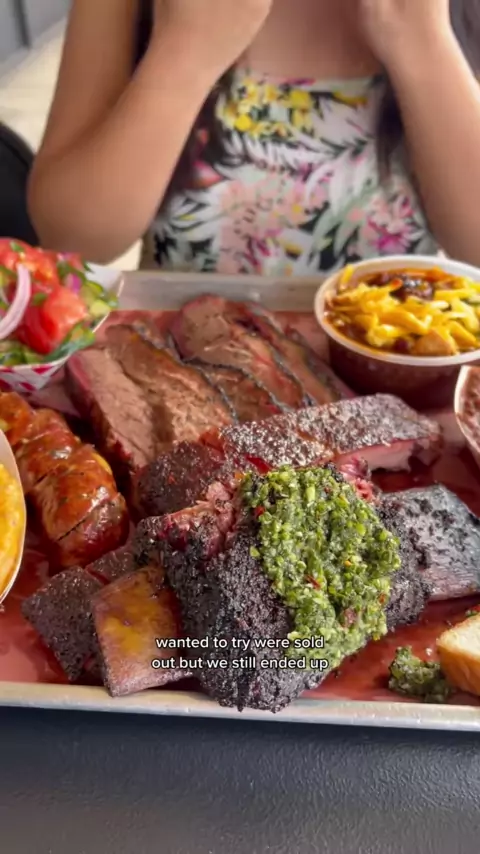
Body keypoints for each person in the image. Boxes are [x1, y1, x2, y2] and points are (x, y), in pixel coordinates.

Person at [27, 0, 480, 276]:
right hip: (183, 381)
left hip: (402, 389)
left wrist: (423, 42)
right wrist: (186, 49)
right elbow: (72, 238)